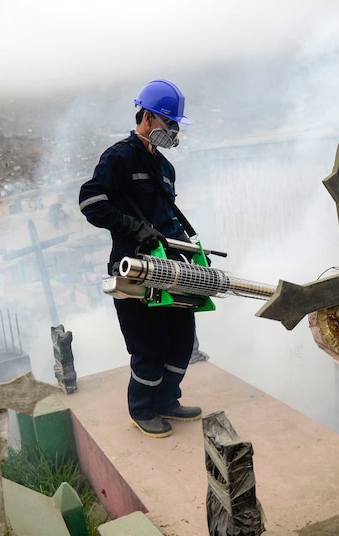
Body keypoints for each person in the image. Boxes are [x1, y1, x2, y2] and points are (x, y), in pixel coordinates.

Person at [79, 79, 202, 438]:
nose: (174, 131)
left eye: (177, 125)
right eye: (169, 123)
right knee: (147, 343)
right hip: (132, 267)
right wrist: (134, 228)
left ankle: (167, 400)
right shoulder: (118, 158)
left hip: (170, 267)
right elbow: (90, 202)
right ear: (148, 117)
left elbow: (166, 218)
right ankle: (143, 408)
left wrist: (185, 249)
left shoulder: (164, 168)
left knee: (181, 336)